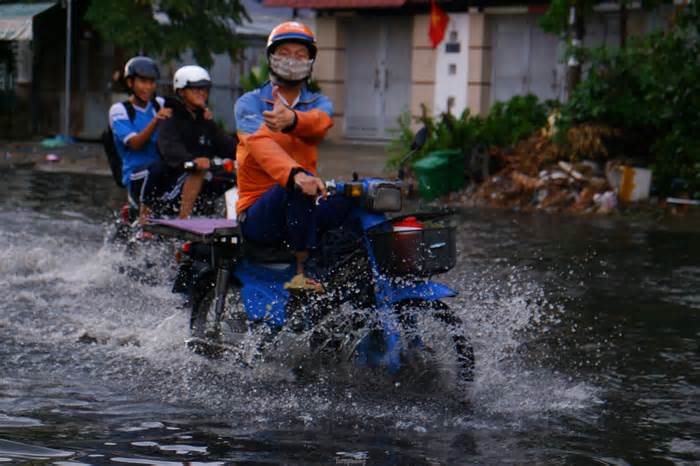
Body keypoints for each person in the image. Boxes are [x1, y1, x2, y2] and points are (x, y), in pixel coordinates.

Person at [234, 21, 353, 293]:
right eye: (285, 53)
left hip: (304, 203)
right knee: (295, 188)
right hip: (259, 212)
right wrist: (295, 175)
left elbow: (320, 123)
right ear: (271, 58)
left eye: (300, 55)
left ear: (311, 61)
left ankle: (355, 272)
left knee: (355, 197)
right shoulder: (249, 104)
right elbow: (261, 144)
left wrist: (292, 120)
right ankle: (302, 271)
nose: (292, 61)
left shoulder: (317, 103)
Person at [153, 65, 236, 218]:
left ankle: (231, 223)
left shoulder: (205, 120)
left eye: (204, 89)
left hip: (203, 175)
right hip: (175, 179)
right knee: (197, 171)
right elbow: (169, 148)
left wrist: (248, 152)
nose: (202, 93)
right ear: (181, 91)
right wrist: (192, 161)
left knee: (234, 177)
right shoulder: (170, 117)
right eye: (195, 89)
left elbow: (226, 146)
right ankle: (183, 220)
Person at [108, 56, 172, 224]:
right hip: (137, 175)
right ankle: (144, 220)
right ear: (130, 83)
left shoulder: (159, 103)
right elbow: (135, 143)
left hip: (161, 173)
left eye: (152, 82)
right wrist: (155, 121)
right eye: (143, 82)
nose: (148, 87)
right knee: (157, 168)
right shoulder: (119, 110)